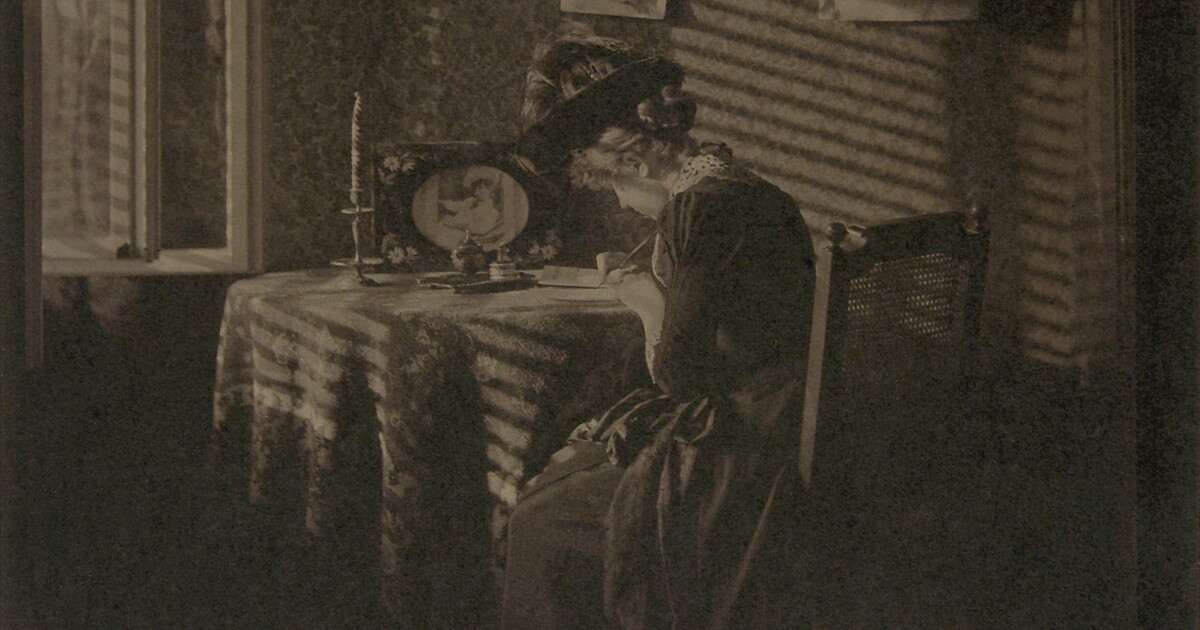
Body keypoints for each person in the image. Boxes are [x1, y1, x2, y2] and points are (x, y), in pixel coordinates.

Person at [502, 23, 816, 629]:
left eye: (614, 181)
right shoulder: (746, 188)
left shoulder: (702, 207)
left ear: (636, 158)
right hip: (794, 414)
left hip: (750, 445)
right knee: (580, 452)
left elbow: (681, 377)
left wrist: (647, 300)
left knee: (538, 517)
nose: (618, 202)